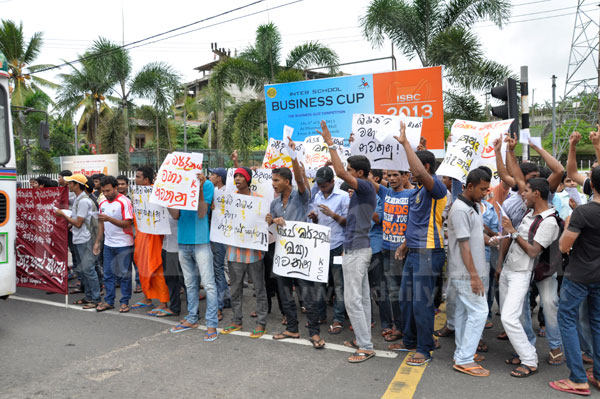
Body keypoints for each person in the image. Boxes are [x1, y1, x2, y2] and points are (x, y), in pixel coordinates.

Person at [317, 120, 376, 362]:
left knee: (353, 301)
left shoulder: (364, 186)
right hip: (357, 250)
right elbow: (343, 170)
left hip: (357, 251)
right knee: (361, 299)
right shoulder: (362, 189)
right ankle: (364, 340)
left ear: (359, 174)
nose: (346, 174)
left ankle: (365, 346)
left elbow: (340, 172)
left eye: (351, 170)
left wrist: (330, 143)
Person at [392, 122, 447, 366]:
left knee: (421, 303)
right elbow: (416, 223)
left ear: (424, 167)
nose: (409, 172)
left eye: (412, 168)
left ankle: (424, 349)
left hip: (428, 253)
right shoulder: (416, 192)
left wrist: (405, 144)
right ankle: (410, 341)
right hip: (414, 252)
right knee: (406, 300)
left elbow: (423, 174)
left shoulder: (437, 187)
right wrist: (405, 243)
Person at [266, 137, 325, 350]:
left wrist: (293, 157)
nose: (273, 184)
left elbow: (300, 180)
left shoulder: (301, 197)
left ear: (286, 182)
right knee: (284, 292)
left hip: (302, 253)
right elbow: (274, 226)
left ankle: (315, 333)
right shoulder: (274, 202)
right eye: (272, 181)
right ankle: (292, 327)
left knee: (306, 294)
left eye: (276, 181)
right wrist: (272, 220)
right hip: (283, 253)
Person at [498, 178, 560, 378]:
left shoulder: (549, 221)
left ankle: (529, 359)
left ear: (537, 194)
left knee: (508, 317)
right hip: (509, 269)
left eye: (526, 191)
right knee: (514, 316)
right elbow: (515, 239)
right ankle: (522, 353)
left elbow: (534, 251)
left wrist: (513, 232)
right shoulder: (529, 213)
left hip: (522, 274)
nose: (522, 194)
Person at [550, 166, 600, 395]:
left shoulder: (584, 212)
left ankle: (578, 378)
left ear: (592, 185)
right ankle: (598, 374)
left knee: (567, 321)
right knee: (597, 323)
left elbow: (563, 246)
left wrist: (570, 221)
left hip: (579, 275)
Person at [448, 169, 491, 377]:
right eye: (482, 189)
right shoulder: (459, 209)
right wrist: (474, 275)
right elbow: (463, 246)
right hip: (465, 273)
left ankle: (462, 353)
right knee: (479, 312)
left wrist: (490, 238)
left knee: (464, 313)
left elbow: (475, 235)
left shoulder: (472, 205)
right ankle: (464, 358)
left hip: (471, 270)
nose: (485, 192)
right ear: (470, 186)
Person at [167, 173, 219, 342]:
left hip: (201, 241)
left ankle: (212, 323)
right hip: (183, 241)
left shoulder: (207, 185)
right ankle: (192, 318)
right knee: (190, 283)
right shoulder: (177, 186)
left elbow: (202, 212)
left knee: (208, 284)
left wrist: (200, 188)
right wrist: (167, 195)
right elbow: (175, 215)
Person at [220, 167, 269, 339]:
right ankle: (236, 320)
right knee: (235, 289)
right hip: (234, 253)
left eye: (241, 176)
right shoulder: (229, 199)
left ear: (248, 179)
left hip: (254, 254)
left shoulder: (259, 200)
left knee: (260, 288)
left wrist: (268, 220)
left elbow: (264, 223)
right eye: (236, 176)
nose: (238, 178)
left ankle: (261, 323)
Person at [369, 168, 413, 345]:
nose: (392, 178)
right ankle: (400, 328)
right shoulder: (385, 192)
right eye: (389, 175)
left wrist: (404, 245)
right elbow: (365, 179)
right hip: (387, 249)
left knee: (407, 292)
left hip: (405, 250)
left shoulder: (412, 194)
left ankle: (410, 329)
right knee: (393, 291)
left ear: (405, 176)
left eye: (396, 175)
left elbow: (415, 222)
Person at [308, 166, 349, 335]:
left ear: (333, 182)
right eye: (319, 184)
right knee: (318, 284)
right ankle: (321, 315)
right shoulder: (317, 196)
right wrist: (315, 218)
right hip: (320, 247)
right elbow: (315, 225)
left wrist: (332, 214)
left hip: (338, 246)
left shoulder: (344, 197)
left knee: (339, 285)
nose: (321, 187)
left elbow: (349, 222)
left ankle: (338, 319)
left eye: (324, 185)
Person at [56, 174, 102, 309]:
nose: (68, 185)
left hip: (86, 238)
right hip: (80, 238)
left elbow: (78, 223)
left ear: (77, 185)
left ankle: (95, 299)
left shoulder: (83, 201)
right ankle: (89, 296)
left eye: (71, 183)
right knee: (84, 270)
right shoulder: (78, 199)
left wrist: (63, 214)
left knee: (88, 270)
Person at [132, 166, 171, 315]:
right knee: (142, 267)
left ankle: (163, 302)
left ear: (146, 180)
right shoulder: (138, 193)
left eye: (138, 177)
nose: (135, 179)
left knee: (156, 268)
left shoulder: (157, 192)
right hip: (141, 235)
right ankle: (147, 298)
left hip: (155, 236)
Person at [93, 176, 134, 313]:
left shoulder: (124, 202)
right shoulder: (103, 202)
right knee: (108, 274)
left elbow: (128, 223)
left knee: (123, 274)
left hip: (124, 243)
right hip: (109, 244)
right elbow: (101, 223)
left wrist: (109, 219)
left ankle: (124, 302)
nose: (105, 194)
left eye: (108, 190)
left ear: (115, 188)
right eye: (103, 191)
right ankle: (109, 301)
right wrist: (98, 242)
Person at [208, 167, 232, 319]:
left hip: (220, 234)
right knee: (220, 267)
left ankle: (219, 304)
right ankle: (226, 297)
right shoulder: (216, 191)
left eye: (213, 175)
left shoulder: (224, 192)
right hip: (218, 233)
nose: (210, 176)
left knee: (217, 269)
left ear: (220, 178)